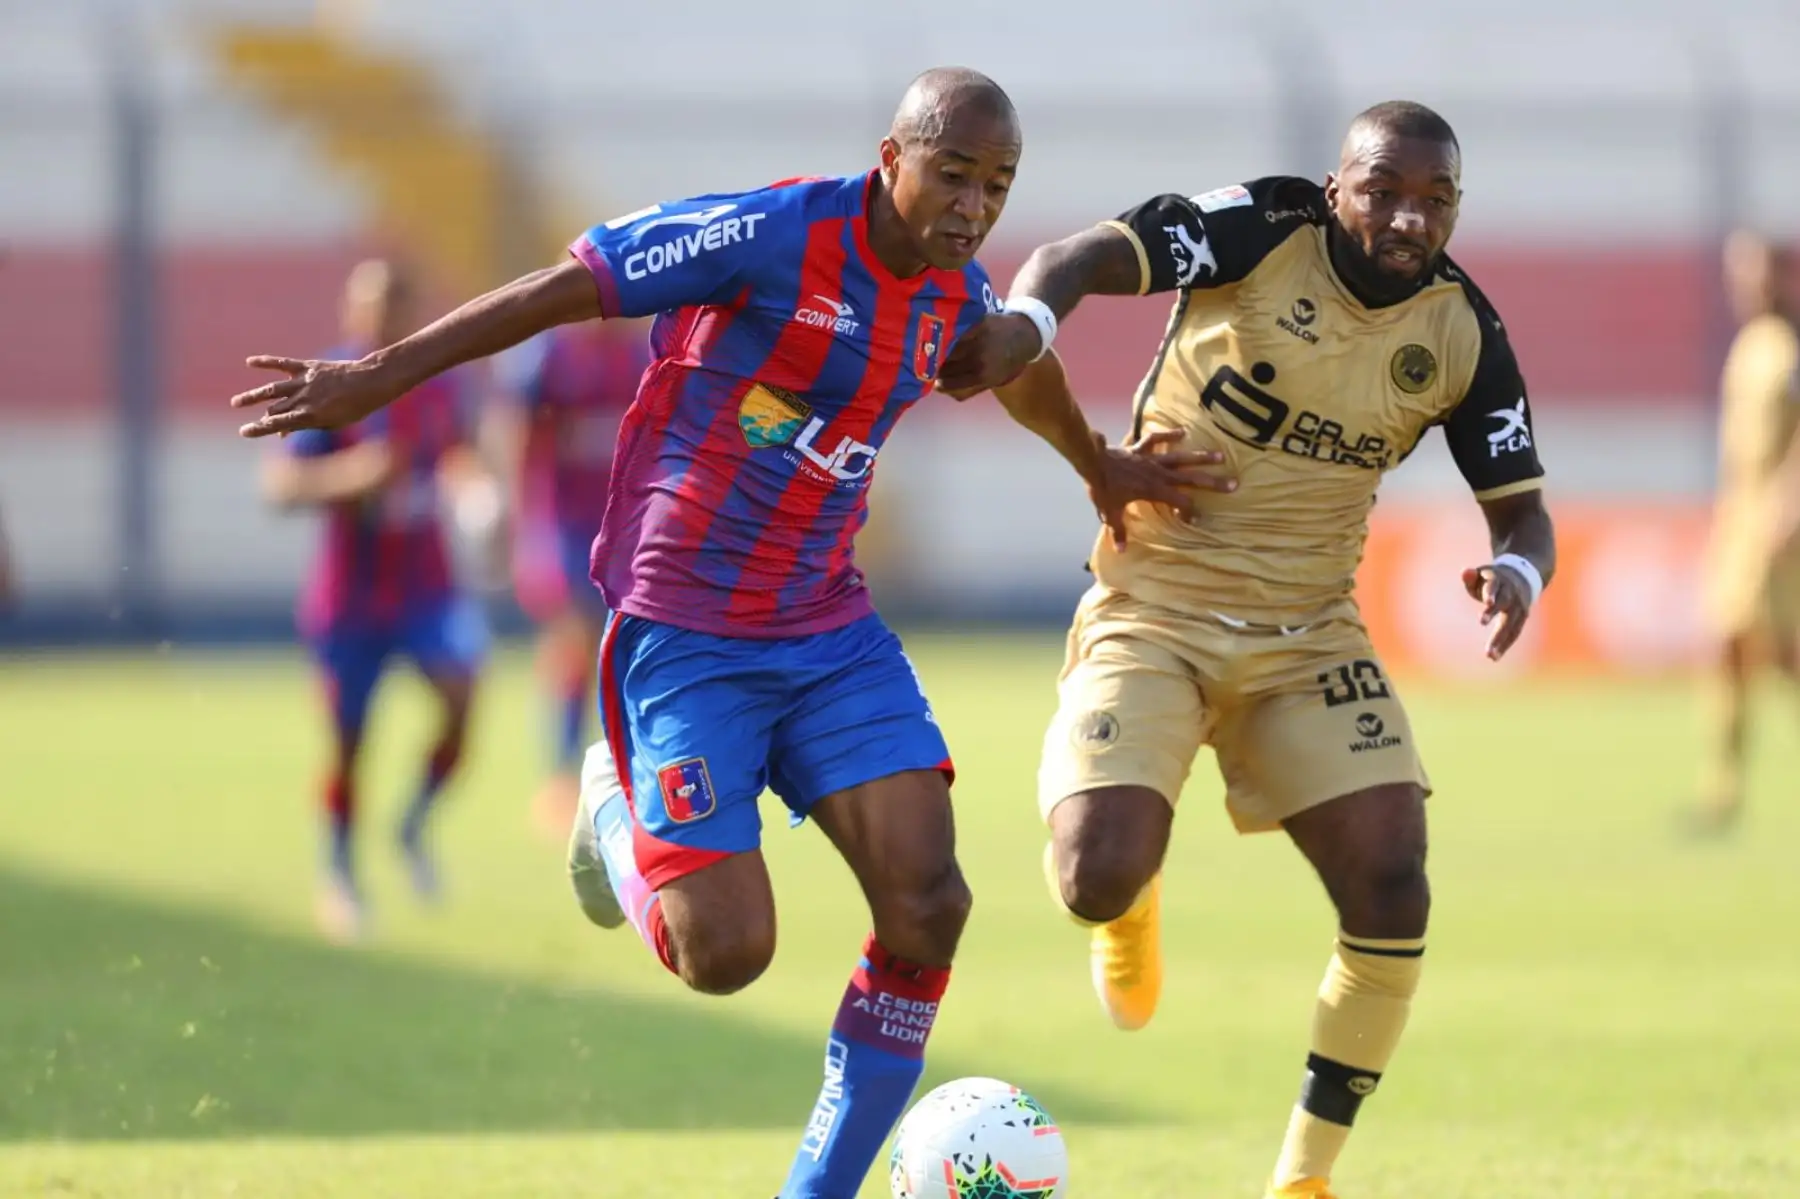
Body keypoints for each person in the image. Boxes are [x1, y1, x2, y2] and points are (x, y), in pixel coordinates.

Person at [232, 68, 1226, 1198]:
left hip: (825, 622)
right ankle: (612, 807)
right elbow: (569, 287)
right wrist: (380, 372)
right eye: (954, 174)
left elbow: (1009, 361)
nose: (974, 205)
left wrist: (1104, 468)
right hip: (686, 622)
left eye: (998, 185)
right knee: (725, 954)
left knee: (931, 901)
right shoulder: (769, 233)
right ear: (893, 159)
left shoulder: (952, 294)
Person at [940, 100, 1557, 1199]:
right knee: (1094, 872)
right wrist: (1032, 321)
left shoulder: (1462, 331)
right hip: (1157, 603)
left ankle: (1303, 1178)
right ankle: (1132, 901)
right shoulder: (1263, 230)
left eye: (1437, 200)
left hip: (1307, 634)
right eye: (1385, 191)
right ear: (1337, 188)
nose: (1410, 218)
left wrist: (1518, 570)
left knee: (1394, 882)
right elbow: (1072, 256)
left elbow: (1523, 514)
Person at [260, 258, 499, 942]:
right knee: (348, 742)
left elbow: (459, 454)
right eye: (371, 306)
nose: (383, 318)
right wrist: (349, 477)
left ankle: (414, 823)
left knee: (462, 698)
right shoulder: (332, 384)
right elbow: (278, 484)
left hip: (428, 587)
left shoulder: (439, 382)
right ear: (351, 312)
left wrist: (475, 491)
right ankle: (339, 870)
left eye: (396, 304)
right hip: (351, 597)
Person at [485, 318, 647, 833]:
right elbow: (514, 427)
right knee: (575, 637)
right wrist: (510, 515)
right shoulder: (548, 356)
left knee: (619, 646)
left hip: (625, 524)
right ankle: (561, 774)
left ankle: (625, 771)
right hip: (561, 525)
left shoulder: (640, 353)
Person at [1687, 230, 1800, 832]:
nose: (1744, 285)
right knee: (1730, 649)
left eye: (1755, 273)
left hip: (1780, 525)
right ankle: (1721, 789)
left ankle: (1723, 789)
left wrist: (1790, 504)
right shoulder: (1750, 346)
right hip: (1742, 519)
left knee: (1782, 655)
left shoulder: (1787, 347)